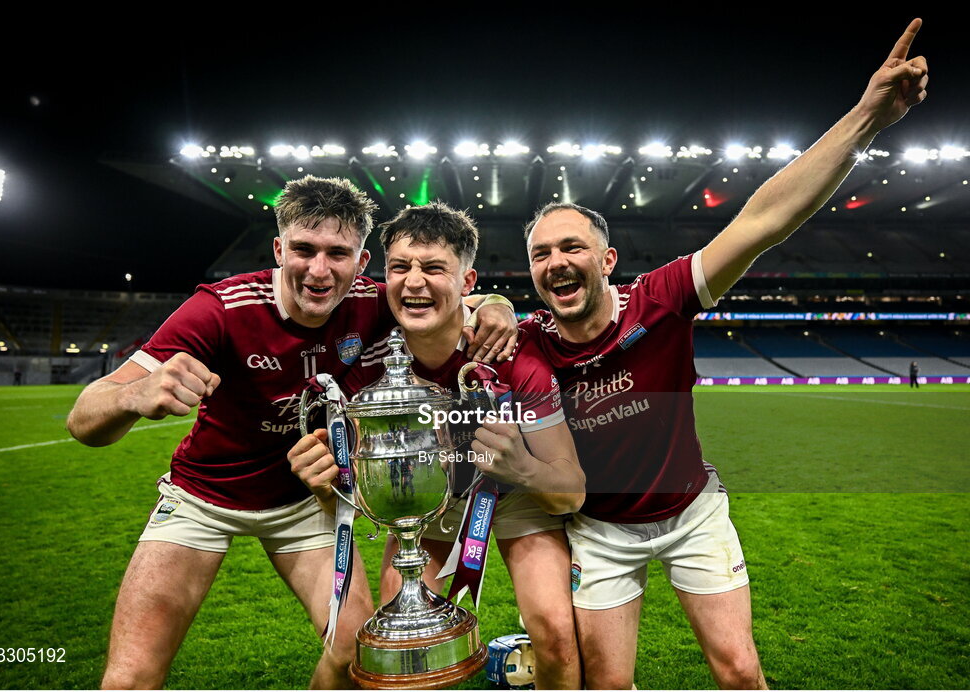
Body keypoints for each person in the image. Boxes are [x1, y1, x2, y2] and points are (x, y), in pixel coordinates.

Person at [519, 20, 928, 690]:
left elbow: (765, 220)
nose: (557, 262)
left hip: (690, 513)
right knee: (608, 685)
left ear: (607, 261)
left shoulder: (662, 299)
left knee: (739, 671)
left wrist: (867, 118)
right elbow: (454, 308)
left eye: (571, 248)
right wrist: (495, 307)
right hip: (601, 532)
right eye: (541, 253)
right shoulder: (529, 341)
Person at [65, 176, 518, 689]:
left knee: (354, 651)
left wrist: (495, 304)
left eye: (338, 254)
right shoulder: (221, 308)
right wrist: (132, 396)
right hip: (203, 497)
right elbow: (83, 422)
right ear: (280, 249)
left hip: (305, 501)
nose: (319, 270)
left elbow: (456, 296)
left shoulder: (376, 303)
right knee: (132, 674)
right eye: (304, 249)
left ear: (361, 263)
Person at [289, 202, 585, 688]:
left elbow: (570, 492)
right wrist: (324, 481)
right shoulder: (365, 363)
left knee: (554, 633)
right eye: (401, 267)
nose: (414, 282)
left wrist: (522, 468)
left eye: (433, 268)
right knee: (393, 640)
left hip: (517, 499)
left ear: (467, 283)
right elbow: (356, 491)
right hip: (428, 504)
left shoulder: (512, 360)